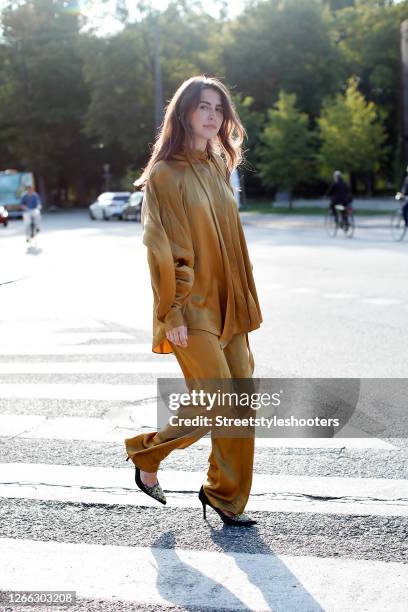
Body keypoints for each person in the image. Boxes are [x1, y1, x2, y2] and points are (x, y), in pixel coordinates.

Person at [124, 75, 263, 526]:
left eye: (219, 109)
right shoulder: (166, 174)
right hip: (191, 310)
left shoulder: (218, 167)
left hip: (230, 308)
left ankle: (224, 495)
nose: (212, 116)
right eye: (203, 107)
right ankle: (146, 454)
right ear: (183, 113)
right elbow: (162, 247)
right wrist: (173, 310)